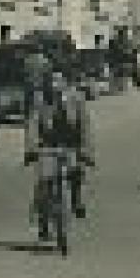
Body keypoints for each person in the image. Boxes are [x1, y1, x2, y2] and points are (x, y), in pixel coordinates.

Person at [25, 68, 92, 232]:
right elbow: (32, 124)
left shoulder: (76, 98)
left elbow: (84, 126)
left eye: (58, 81)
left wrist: (86, 149)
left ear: (65, 83)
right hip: (47, 144)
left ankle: (76, 199)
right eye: (51, 81)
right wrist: (31, 148)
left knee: (76, 171)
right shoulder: (40, 100)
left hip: (70, 143)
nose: (54, 85)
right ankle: (42, 216)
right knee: (44, 180)